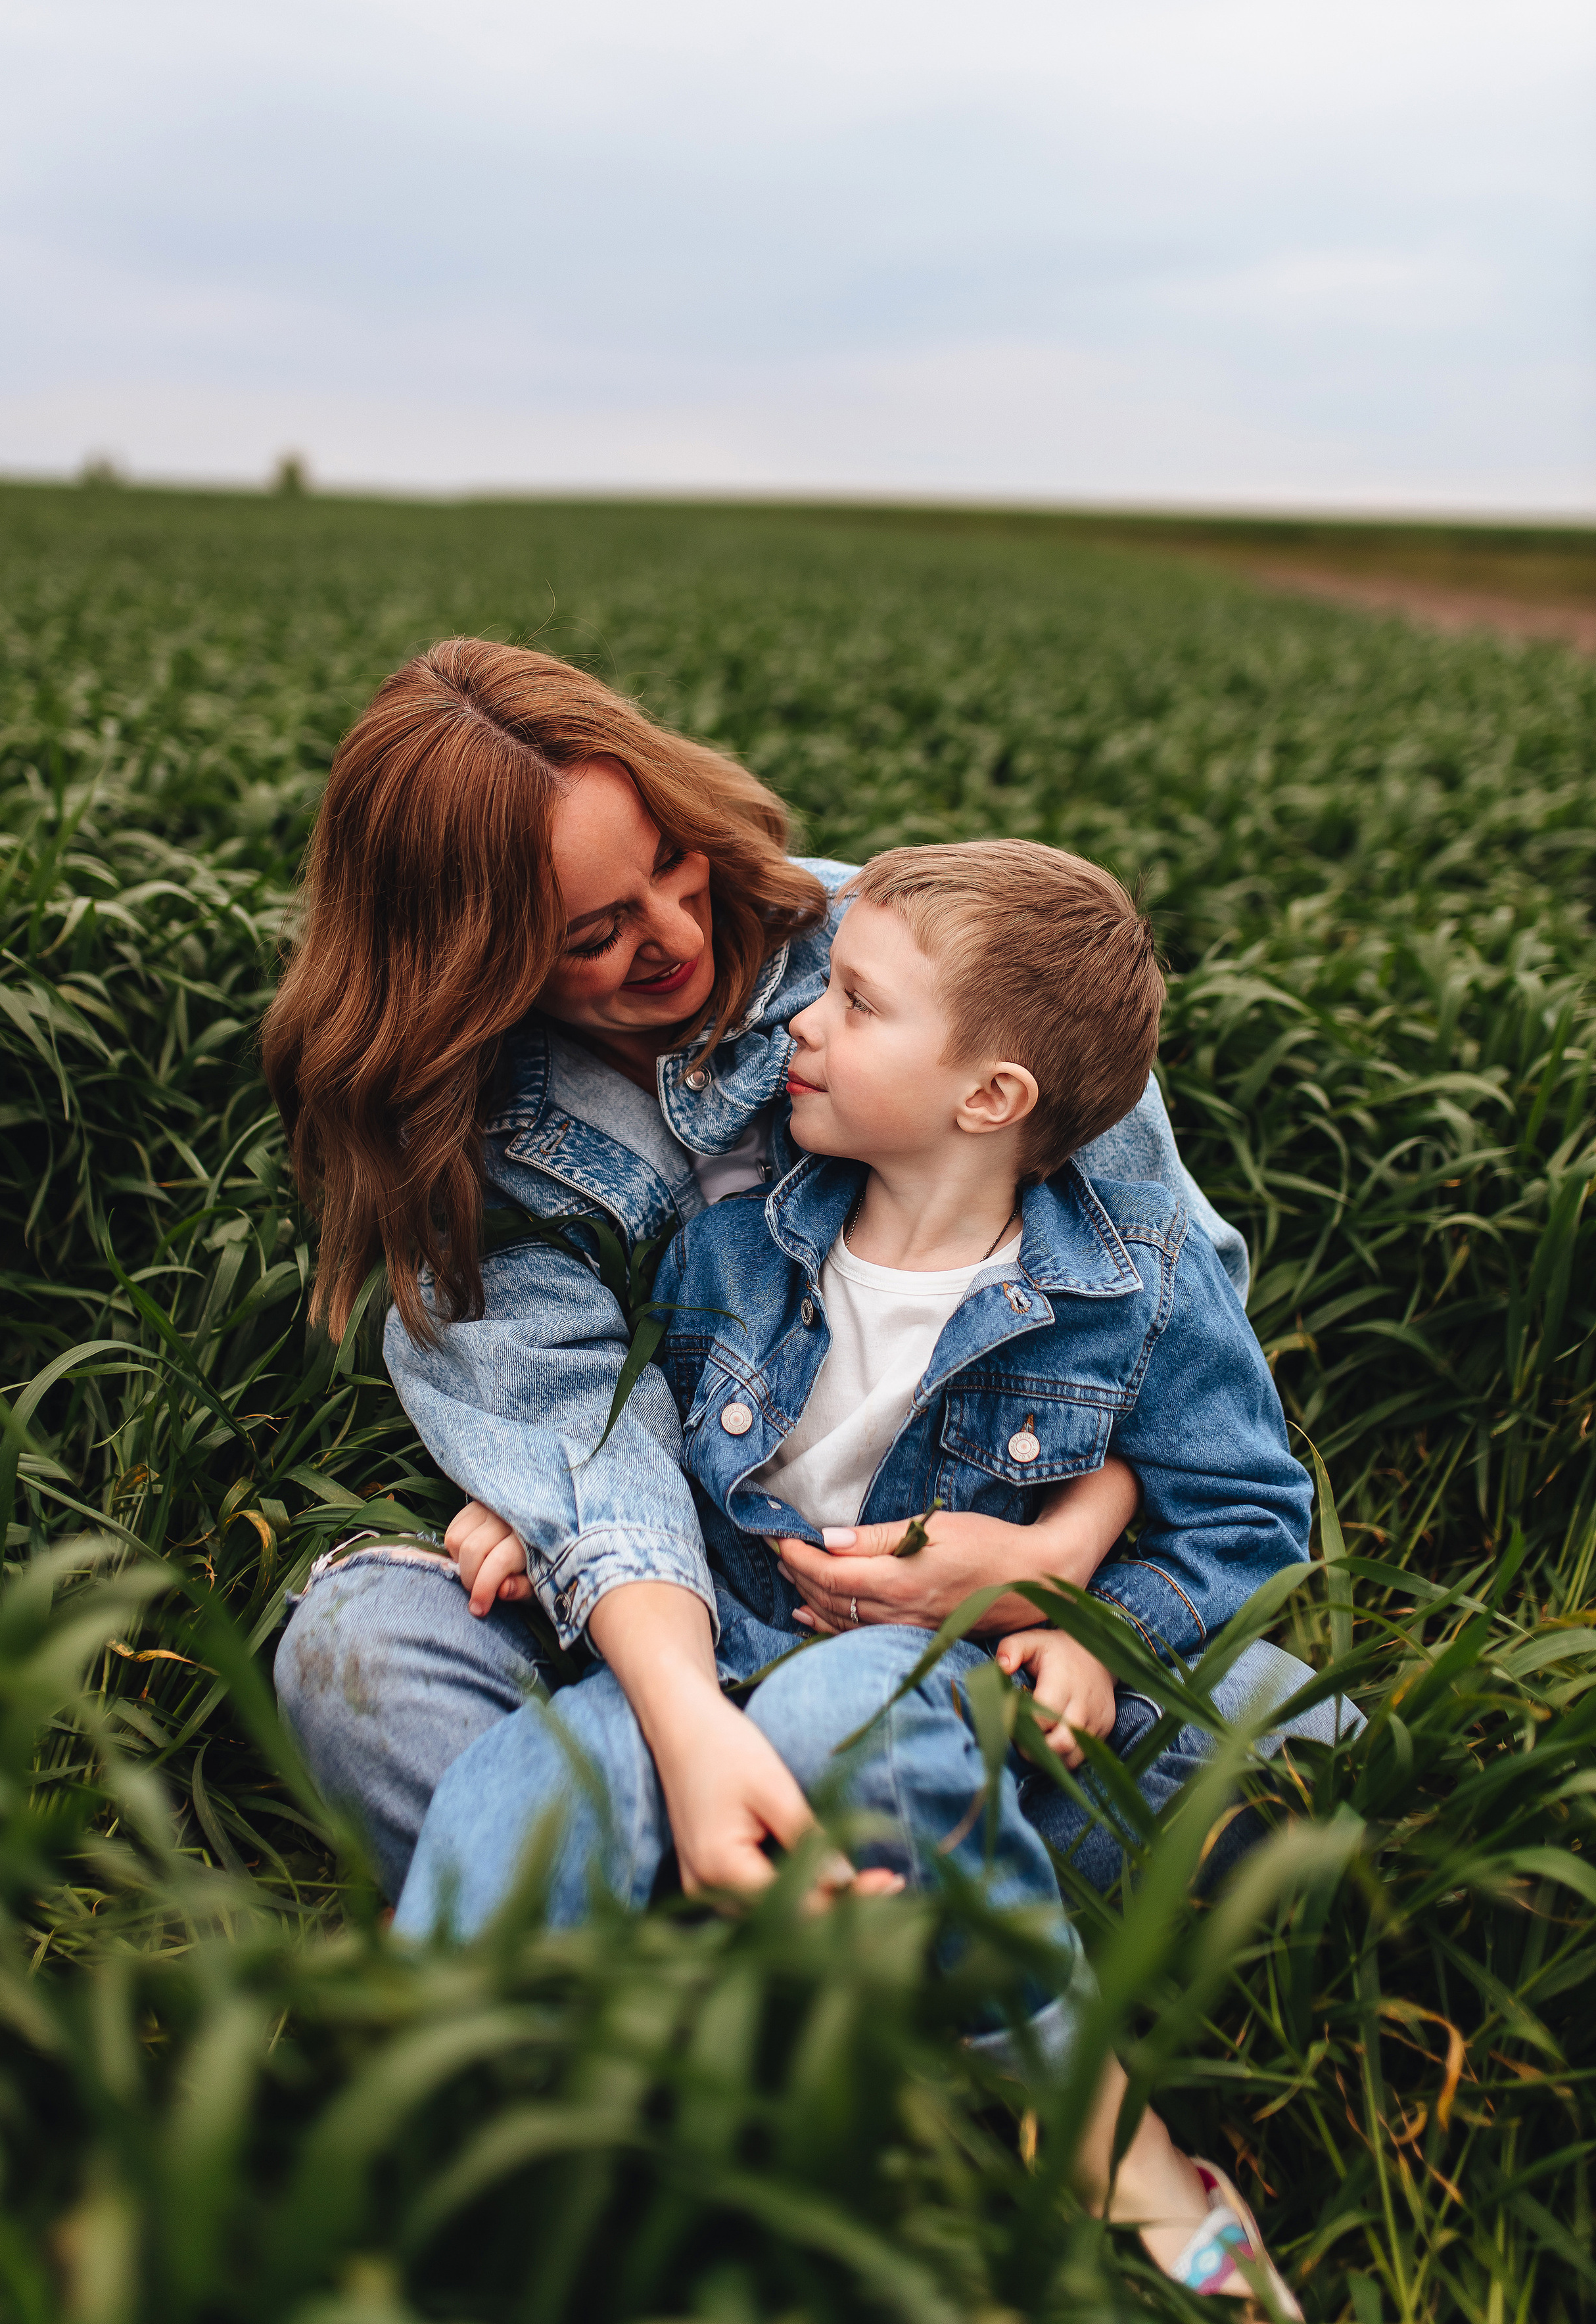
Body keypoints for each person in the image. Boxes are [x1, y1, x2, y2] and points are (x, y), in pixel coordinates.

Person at [390, 833, 1323, 2311]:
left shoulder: (1133, 1279)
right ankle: (465, 2160)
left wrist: (1086, 1612)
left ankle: (1095, 2132)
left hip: (923, 1666)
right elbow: (642, 1433)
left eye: (853, 1004)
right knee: (514, 1795)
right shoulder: (739, 1233)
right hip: (717, 1649)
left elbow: (1249, 1519)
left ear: (989, 1097)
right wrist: (539, 1502)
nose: (798, 1023)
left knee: (871, 1725)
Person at [269, 638, 1338, 1911]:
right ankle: (850, 1891)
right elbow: (574, 1425)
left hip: (961, 1628)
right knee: (356, 1658)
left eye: (672, 862)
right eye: (594, 935)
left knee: (1293, 1743)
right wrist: (565, 1522)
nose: (674, 936)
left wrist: (1059, 1564)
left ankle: (687, 1900)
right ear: (471, 962)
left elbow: (1159, 1350)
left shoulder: (937, 960)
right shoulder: (473, 1129)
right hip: (680, 1609)